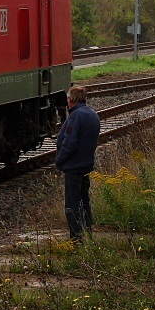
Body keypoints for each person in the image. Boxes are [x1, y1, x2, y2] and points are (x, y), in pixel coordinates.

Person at [54, 85, 101, 241]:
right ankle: (87, 233)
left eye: (68, 99)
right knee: (84, 202)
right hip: (86, 164)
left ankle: (76, 239)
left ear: (71, 99)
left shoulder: (75, 117)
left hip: (73, 167)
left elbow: (69, 143)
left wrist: (59, 161)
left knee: (72, 205)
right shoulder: (92, 114)